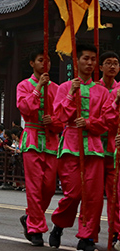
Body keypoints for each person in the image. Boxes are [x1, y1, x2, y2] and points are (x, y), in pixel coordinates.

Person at [49, 45, 116, 251]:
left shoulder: (102, 92)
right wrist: (71, 94)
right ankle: (59, 224)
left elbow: (107, 121)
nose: (90, 63)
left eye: (93, 59)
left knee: (93, 197)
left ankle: (86, 237)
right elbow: (59, 117)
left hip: (95, 148)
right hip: (71, 146)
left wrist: (88, 123)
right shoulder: (65, 87)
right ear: (76, 61)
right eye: (86, 58)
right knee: (74, 193)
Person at [16, 50, 61, 247]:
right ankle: (35, 228)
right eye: (41, 60)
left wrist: (54, 121)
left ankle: (30, 217)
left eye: (48, 61)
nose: (45, 64)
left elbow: (63, 118)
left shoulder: (57, 89)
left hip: (51, 140)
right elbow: (26, 108)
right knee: (34, 186)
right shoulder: (24, 85)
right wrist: (38, 88)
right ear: (32, 63)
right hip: (32, 138)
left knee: (49, 187)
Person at [98, 51, 120, 248]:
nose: (112, 66)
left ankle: (116, 233)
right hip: (94, 150)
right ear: (101, 67)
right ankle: (89, 234)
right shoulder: (93, 89)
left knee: (116, 196)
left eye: (115, 63)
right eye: (108, 63)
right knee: (92, 196)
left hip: (114, 150)